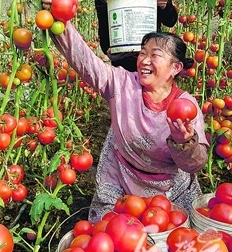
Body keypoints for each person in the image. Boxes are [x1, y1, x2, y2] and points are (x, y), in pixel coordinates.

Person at [51, 21, 208, 223]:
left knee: (169, 240)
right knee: (110, 235)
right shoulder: (121, 84)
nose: (145, 60)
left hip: (169, 192)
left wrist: (184, 143)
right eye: (143, 53)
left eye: (155, 55)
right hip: (120, 178)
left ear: (175, 67)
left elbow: (194, 164)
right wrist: (62, 25)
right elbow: (87, 63)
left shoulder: (186, 106)